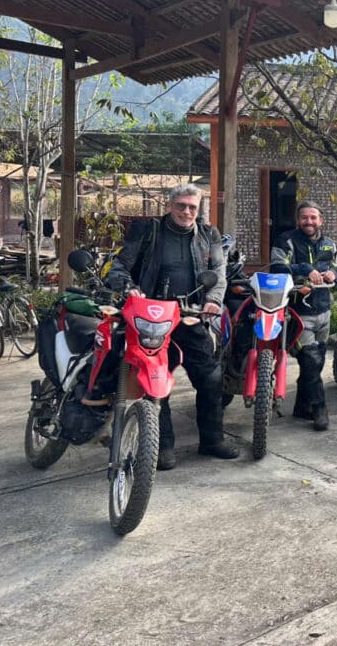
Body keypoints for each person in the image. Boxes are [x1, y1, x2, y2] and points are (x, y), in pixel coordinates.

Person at [105, 183, 237, 469]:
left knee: (211, 377)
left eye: (192, 206)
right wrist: (129, 288)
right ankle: (162, 447)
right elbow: (120, 266)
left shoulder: (208, 233)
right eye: (181, 206)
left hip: (189, 316)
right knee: (155, 382)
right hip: (151, 316)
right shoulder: (148, 230)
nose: (187, 211)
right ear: (169, 206)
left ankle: (212, 440)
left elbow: (218, 272)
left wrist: (213, 300)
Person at [270, 201, 337, 432]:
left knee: (315, 362)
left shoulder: (330, 245)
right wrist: (304, 269)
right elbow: (277, 267)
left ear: (321, 220)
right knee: (310, 360)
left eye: (313, 218)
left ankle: (302, 406)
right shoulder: (286, 240)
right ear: (297, 220)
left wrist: (334, 274)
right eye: (304, 217)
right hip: (297, 312)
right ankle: (320, 410)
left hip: (324, 310)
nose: (309, 222)